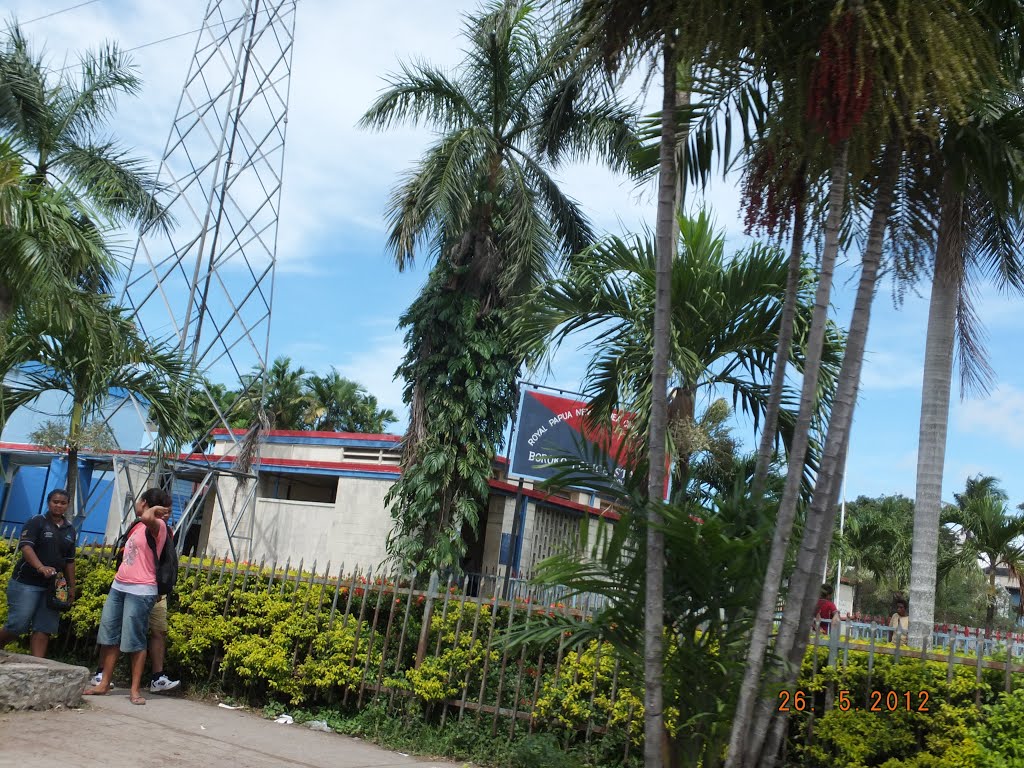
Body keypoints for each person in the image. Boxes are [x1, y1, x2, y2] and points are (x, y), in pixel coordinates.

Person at [84, 488, 171, 704]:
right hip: (120, 586)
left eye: (140, 501)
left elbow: (150, 517)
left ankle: (135, 690)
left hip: (141, 589)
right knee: (110, 635)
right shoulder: (137, 524)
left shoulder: (158, 526)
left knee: (135, 640)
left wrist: (157, 510)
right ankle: (104, 683)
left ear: (144, 503)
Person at [0, 489, 77, 658]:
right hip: (27, 583)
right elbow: (26, 547)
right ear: (48, 503)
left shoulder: (70, 529)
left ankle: (38, 668)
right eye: (55, 502)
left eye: (63, 503)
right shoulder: (37, 522)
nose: (58, 505)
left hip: (53, 586)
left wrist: (71, 586)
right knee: (18, 624)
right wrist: (40, 567)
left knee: (44, 627)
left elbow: (69, 561)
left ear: (68, 505)